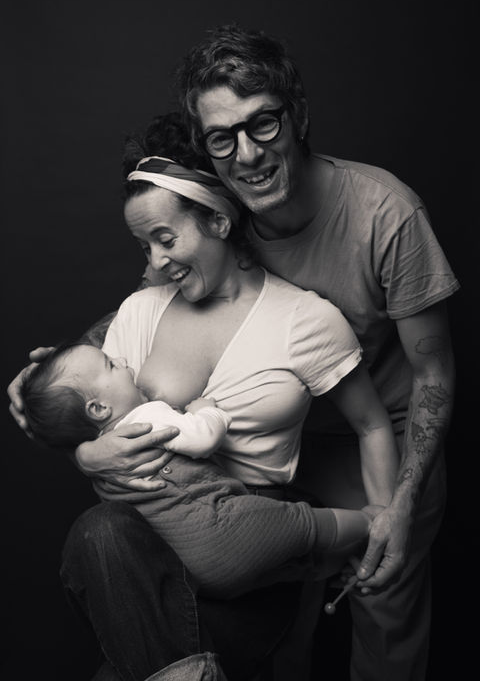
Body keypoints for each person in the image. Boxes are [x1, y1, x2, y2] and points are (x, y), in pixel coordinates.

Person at [8, 113, 401, 681]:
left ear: (217, 219)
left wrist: (381, 520)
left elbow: (371, 424)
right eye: (144, 246)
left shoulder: (304, 321)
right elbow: (96, 417)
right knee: (101, 531)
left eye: (166, 239)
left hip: (250, 546)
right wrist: (85, 454)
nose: (155, 261)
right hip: (150, 547)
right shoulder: (139, 312)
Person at [23, 339, 388, 599]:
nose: (122, 360)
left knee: (281, 565)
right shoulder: (147, 418)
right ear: (99, 409)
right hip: (222, 525)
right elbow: (202, 438)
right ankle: (370, 523)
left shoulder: (104, 461)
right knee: (302, 522)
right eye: (111, 365)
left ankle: (330, 565)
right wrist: (205, 410)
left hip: (193, 571)